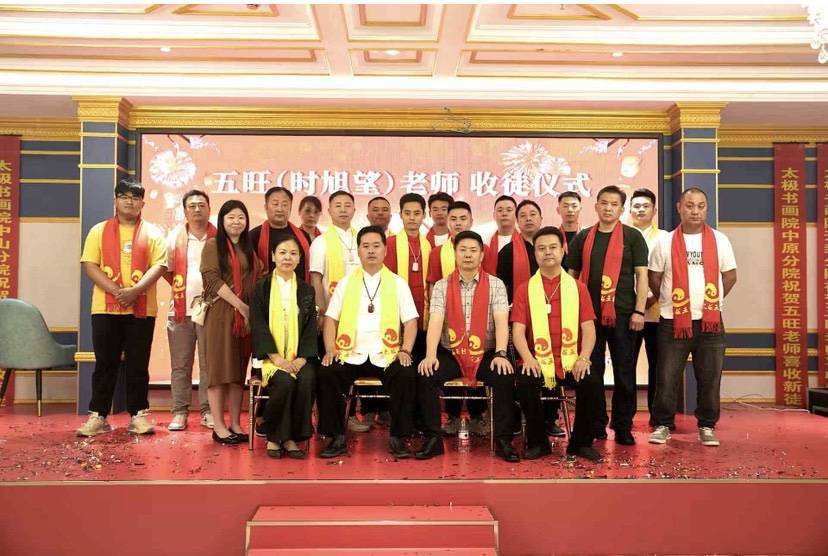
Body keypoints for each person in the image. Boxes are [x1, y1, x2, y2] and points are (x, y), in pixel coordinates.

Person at [316, 226, 420, 459]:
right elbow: (331, 319)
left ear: (385, 250)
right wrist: (330, 349)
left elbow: (411, 321)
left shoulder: (398, 283)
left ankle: (399, 437)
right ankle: (336, 437)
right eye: (366, 246)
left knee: (405, 373)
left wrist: (405, 349)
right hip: (350, 352)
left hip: (386, 353)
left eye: (376, 246)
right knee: (328, 372)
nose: (371, 251)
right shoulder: (346, 283)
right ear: (359, 250)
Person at [76, 180, 167, 437]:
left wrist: (135, 291)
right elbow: (90, 265)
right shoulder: (98, 230)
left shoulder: (153, 232)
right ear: (115, 200)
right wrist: (119, 292)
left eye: (135, 198)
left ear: (142, 203)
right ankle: (98, 416)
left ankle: (139, 415)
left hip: (142, 309)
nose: (129, 201)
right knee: (105, 363)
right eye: (124, 196)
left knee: (138, 363)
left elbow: (160, 266)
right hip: (105, 309)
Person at [648, 188, 737, 447]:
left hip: (711, 323)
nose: (695, 211)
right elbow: (654, 277)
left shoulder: (720, 240)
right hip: (672, 321)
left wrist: (712, 303)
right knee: (667, 377)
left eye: (700, 206)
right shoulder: (665, 241)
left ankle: (707, 425)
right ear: (679, 207)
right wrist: (670, 301)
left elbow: (730, 276)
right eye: (689, 205)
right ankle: (663, 424)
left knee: (710, 379)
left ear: (706, 209)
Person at [415, 231, 515, 461]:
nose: (468, 255)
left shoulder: (496, 285)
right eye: (463, 250)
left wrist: (501, 353)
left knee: (504, 375)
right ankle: (433, 439)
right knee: (426, 374)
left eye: (473, 250)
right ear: (455, 253)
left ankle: (503, 440)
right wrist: (430, 355)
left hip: (486, 352)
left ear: (481, 255)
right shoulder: (441, 286)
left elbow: (501, 322)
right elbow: (435, 321)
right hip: (451, 352)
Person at [566, 185, 649, 445]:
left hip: (624, 315)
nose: (608, 208)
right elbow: (571, 277)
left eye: (614, 204)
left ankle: (623, 425)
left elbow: (642, 276)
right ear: (596, 206)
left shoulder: (633, 237)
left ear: (621, 209)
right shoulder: (583, 238)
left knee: (625, 373)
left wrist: (639, 310)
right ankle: (596, 423)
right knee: (592, 373)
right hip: (589, 317)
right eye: (604, 203)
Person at [510, 227, 601, 462]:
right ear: (535, 254)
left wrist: (584, 358)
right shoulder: (524, 289)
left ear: (563, 250)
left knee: (591, 380)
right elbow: (518, 332)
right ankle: (538, 442)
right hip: (538, 360)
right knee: (525, 381)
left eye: (553, 247)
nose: (547, 252)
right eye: (541, 248)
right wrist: (528, 358)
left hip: (571, 360)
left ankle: (581, 443)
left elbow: (589, 329)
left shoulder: (578, 288)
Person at [426, 201, 490, 435]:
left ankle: (477, 414)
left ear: (471, 221)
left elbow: (490, 281)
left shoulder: (484, 249)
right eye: (453, 219)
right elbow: (432, 285)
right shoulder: (437, 252)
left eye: (463, 218)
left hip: (479, 324)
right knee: (447, 359)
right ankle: (452, 416)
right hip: (448, 324)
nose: (458, 223)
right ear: (447, 222)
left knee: (478, 356)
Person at [251, 235, 318, 459]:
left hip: (299, 357)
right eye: (282, 252)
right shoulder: (261, 288)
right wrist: (277, 358)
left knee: (307, 379)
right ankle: (274, 436)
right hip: (271, 358)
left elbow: (310, 327)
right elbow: (259, 325)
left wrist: (302, 359)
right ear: (273, 256)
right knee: (285, 382)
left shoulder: (306, 290)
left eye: (293, 253)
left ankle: (292, 439)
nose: (287, 257)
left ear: (299, 259)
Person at [200, 200, 260, 445]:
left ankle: (235, 423)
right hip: (221, 314)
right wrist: (242, 306)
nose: (237, 222)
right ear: (222, 221)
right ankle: (219, 426)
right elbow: (213, 280)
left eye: (241, 217)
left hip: (244, 319)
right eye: (231, 217)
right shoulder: (213, 245)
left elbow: (257, 278)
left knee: (237, 372)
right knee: (219, 371)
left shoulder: (248, 248)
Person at [165, 189, 216, 431]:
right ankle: (179, 412)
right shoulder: (174, 237)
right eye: (192, 205)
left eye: (201, 205)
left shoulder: (219, 238)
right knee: (181, 365)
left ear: (209, 209)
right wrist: (183, 290)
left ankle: (208, 410)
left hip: (211, 311)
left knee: (209, 365)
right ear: (185, 211)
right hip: (180, 311)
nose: (197, 209)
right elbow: (166, 270)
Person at [628, 188, 669, 425]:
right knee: (626, 366)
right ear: (630, 210)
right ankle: (626, 416)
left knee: (658, 366)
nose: (641, 210)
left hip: (657, 312)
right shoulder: (622, 235)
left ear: (654, 210)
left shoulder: (665, 238)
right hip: (629, 312)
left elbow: (669, 273)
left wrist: (651, 297)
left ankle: (658, 416)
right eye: (636, 206)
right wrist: (636, 303)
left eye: (646, 206)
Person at [384, 192, 431, 351]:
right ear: (400, 215)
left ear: (424, 215)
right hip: (398, 305)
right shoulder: (390, 243)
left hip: (424, 308)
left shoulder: (429, 244)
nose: (412, 218)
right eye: (407, 213)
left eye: (417, 213)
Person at [250, 186, 312, 280]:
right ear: (266, 207)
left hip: (299, 288)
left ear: (290, 208)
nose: (280, 209)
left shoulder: (304, 236)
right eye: (275, 204)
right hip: (267, 288)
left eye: (284, 205)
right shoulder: (254, 236)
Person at [496, 199, 541, 303]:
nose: (528, 219)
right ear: (517, 221)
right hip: (517, 307)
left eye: (532, 214)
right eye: (523, 216)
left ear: (541, 219)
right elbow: (502, 286)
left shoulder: (552, 247)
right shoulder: (507, 251)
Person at [482, 195, 518, 274]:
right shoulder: (485, 243)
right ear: (494, 215)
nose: (504, 214)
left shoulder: (524, 242)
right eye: (500, 210)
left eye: (509, 210)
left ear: (517, 214)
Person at [557, 191, 583, 256]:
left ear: (580, 209)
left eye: (574, 206)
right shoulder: (554, 236)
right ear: (558, 210)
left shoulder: (586, 235)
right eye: (565, 206)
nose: (570, 210)